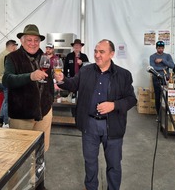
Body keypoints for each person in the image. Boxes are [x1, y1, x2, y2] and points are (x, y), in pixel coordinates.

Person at [54, 39, 137, 190]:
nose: (97, 55)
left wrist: (114, 105)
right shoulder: (86, 70)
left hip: (112, 126)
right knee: (90, 162)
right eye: (96, 51)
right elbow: (73, 84)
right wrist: (62, 80)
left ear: (112, 54)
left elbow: (132, 99)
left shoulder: (123, 75)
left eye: (102, 52)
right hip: (90, 124)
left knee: (113, 164)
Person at [2, 24, 54, 152]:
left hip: (44, 112)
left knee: (41, 151)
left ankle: (38, 173)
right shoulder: (12, 57)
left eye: (36, 40)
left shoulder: (44, 57)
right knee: (21, 153)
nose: (33, 43)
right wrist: (30, 76)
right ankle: (27, 173)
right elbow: (7, 80)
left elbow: (49, 82)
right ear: (22, 40)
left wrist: (50, 100)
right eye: (29, 40)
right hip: (21, 116)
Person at [0, 39, 18, 127]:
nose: (16, 48)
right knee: (8, 102)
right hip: (6, 80)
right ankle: (6, 122)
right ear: (12, 46)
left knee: (5, 100)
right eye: (15, 46)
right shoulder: (9, 55)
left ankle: (1, 118)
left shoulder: (2, 53)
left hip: (0, 80)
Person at [149, 41, 174, 115]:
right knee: (158, 96)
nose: (160, 50)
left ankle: (167, 113)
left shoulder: (167, 56)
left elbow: (172, 66)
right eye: (159, 48)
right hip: (156, 78)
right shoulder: (152, 56)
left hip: (166, 79)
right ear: (156, 48)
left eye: (162, 48)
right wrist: (164, 67)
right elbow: (153, 68)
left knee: (167, 96)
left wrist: (162, 60)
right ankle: (158, 115)